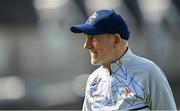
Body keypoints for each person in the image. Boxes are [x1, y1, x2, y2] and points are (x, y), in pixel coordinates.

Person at [70, 10, 177, 110]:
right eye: (86, 38)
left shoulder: (149, 72)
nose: (86, 45)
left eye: (93, 38)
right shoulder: (93, 80)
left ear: (116, 40)